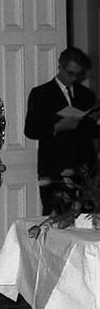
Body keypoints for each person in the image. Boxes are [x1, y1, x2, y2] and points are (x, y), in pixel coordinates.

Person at [25, 47, 99, 215]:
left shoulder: (85, 94)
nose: (73, 78)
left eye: (78, 74)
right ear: (60, 66)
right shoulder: (41, 93)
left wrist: (93, 121)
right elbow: (31, 130)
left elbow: (92, 133)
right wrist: (57, 127)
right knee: (55, 216)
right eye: (70, 73)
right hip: (54, 166)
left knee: (85, 216)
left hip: (83, 167)